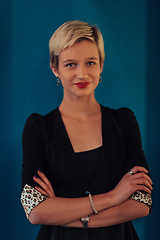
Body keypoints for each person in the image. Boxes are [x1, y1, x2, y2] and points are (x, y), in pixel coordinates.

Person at [21, 20, 152, 240]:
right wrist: (113, 197)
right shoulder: (38, 127)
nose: (82, 74)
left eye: (90, 63)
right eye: (71, 64)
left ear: (101, 65)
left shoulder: (124, 121)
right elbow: (35, 210)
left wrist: (66, 214)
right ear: (55, 68)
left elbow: (142, 203)